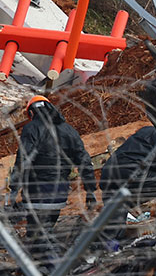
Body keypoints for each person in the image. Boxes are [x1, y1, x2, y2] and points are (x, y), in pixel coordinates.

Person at [9, 95, 97, 255]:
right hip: (59, 194)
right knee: (42, 231)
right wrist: (90, 189)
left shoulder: (31, 128)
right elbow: (84, 160)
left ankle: (54, 268)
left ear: (32, 113)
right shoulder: (68, 130)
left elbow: (23, 159)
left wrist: (14, 189)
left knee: (39, 235)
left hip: (36, 192)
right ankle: (41, 267)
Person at [98, 125, 156, 248]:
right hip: (132, 171)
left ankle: (109, 248)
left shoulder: (148, 131)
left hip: (109, 172)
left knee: (118, 207)